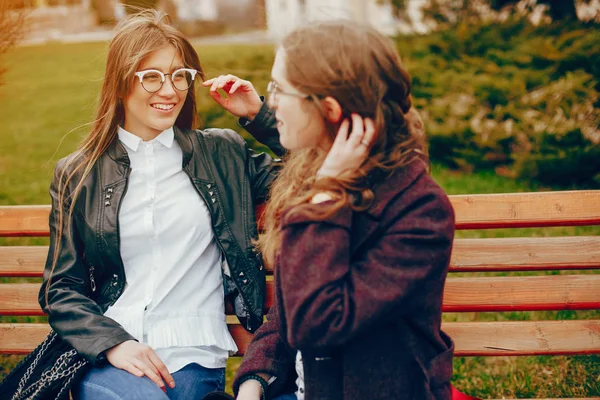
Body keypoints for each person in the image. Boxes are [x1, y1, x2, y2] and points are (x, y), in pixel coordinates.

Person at [11, 9, 282, 400]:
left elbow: (314, 175)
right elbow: (61, 288)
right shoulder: (79, 174)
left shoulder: (221, 154)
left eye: (179, 75)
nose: (170, 90)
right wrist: (113, 344)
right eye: (151, 76)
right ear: (121, 84)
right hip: (111, 358)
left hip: (194, 354)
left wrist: (259, 115)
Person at [231, 20, 456, 400]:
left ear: (330, 109)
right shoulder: (311, 174)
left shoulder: (420, 212)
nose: (270, 102)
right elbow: (287, 310)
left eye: (280, 90)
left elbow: (314, 321)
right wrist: (254, 381)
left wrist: (324, 200)